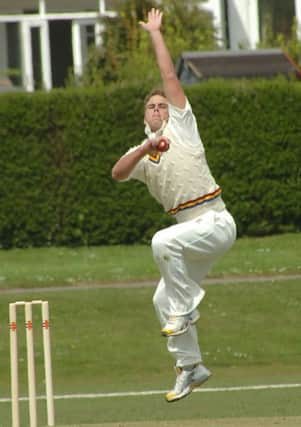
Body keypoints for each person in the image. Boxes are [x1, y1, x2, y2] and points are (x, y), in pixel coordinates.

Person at [111, 8, 236, 403]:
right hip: (190, 232)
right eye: (151, 107)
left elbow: (169, 77)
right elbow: (116, 172)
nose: (158, 110)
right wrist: (145, 147)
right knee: (161, 299)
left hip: (214, 221)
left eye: (162, 106)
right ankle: (190, 367)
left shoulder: (183, 125)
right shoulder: (143, 153)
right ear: (143, 117)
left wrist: (155, 33)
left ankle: (186, 310)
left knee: (162, 243)